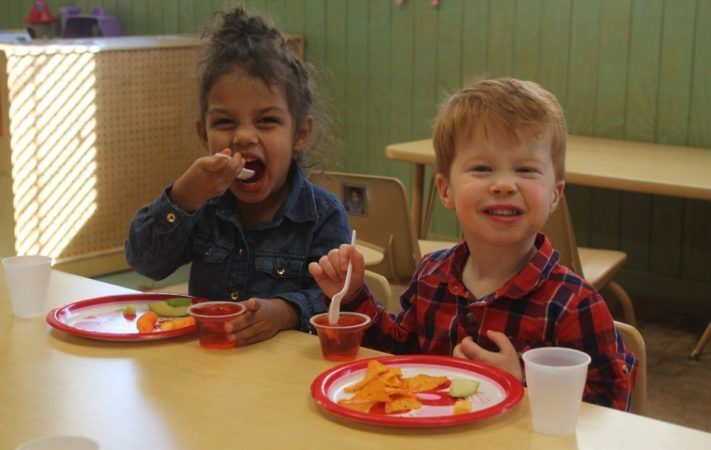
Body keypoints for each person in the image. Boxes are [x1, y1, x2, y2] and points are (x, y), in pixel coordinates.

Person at [309, 78, 637, 411]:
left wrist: (522, 381)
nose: (504, 184)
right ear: (445, 190)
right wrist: (350, 296)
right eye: (482, 168)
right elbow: (399, 353)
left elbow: (610, 410)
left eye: (526, 169)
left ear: (555, 194)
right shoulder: (431, 275)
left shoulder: (574, 305)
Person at [125, 6, 350, 345]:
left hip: (281, 379)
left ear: (300, 133)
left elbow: (338, 300)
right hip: (206, 368)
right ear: (204, 135)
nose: (243, 136)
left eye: (266, 121)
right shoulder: (202, 205)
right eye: (225, 122)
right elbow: (145, 261)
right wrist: (183, 197)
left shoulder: (322, 214)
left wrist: (284, 312)